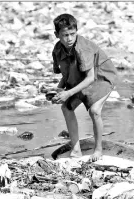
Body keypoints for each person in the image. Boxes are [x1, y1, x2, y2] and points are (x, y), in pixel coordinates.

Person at [50, 13, 117, 162]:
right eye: (65, 35)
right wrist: (58, 91)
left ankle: (98, 150)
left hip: (101, 77)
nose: (69, 39)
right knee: (66, 108)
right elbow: (65, 75)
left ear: (76, 32)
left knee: (94, 111)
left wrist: (68, 94)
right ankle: (76, 150)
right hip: (80, 79)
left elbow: (90, 78)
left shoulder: (82, 49)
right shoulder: (57, 50)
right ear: (56, 35)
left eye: (72, 34)